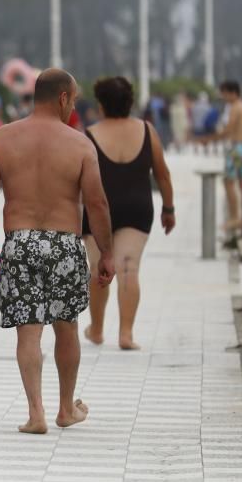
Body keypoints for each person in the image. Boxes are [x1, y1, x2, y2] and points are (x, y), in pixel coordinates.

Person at [0, 68, 115, 435]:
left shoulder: (2, 139)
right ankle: (65, 409)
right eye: (73, 98)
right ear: (62, 98)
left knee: (28, 334)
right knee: (67, 328)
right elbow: (98, 203)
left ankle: (35, 412)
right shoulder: (80, 144)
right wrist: (106, 252)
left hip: (20, 242)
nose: (74, 104)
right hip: (65, 245)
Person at [80, 77, 175, 351]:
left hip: (99, 210)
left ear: (100, 105)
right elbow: (163, 174)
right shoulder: (147, 131)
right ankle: (126, 334)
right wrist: (168, 209)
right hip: (138, 208)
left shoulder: (89, 135)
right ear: (130, 102)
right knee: (128, 267)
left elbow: (77, 179)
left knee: (99, 270)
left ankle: (96, 330)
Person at [207, 80, 242, 232]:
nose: (223, 97)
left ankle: (234, 218)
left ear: (231, 93)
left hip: (237, 148)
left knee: (229, 182)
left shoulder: (234, 108)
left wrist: (211, 138)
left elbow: (228, 130)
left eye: (224, 93)